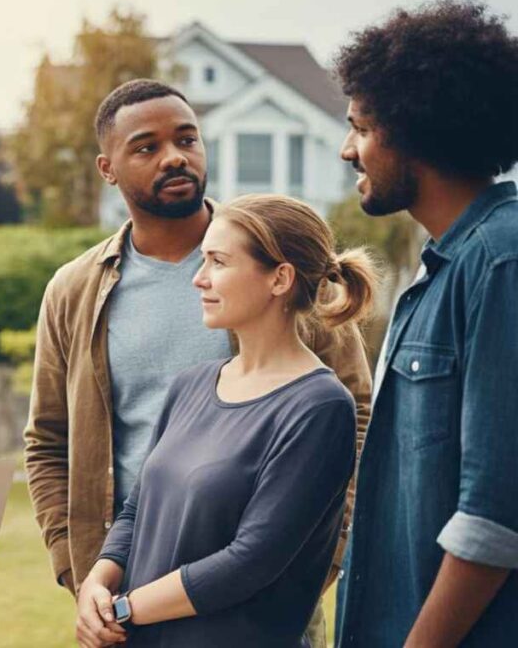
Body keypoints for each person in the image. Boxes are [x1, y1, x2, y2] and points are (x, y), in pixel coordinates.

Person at [23, 79, 372, 645]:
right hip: (131, 594)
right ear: (107, 168)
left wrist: (319, 559)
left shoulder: (277, 265)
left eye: (187, 139)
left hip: (261, 598)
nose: (174, 157)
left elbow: (353, 416)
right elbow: (46, 440)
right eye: (146, 147)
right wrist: (81, 571)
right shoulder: (74, 291)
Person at [76, 193, 376, 647]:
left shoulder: (319, 406)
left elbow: (249, 561)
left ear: (279, 279)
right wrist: (97, 583)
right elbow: (138, 510)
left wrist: (124, 608)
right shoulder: (191, 386)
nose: (198, 279)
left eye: (218, 262)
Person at [333, 0, 518, 647]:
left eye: (359, 127)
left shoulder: (503, 261)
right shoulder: (440, 266)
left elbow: (496, 514)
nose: (346, 149)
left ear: (414, 128)